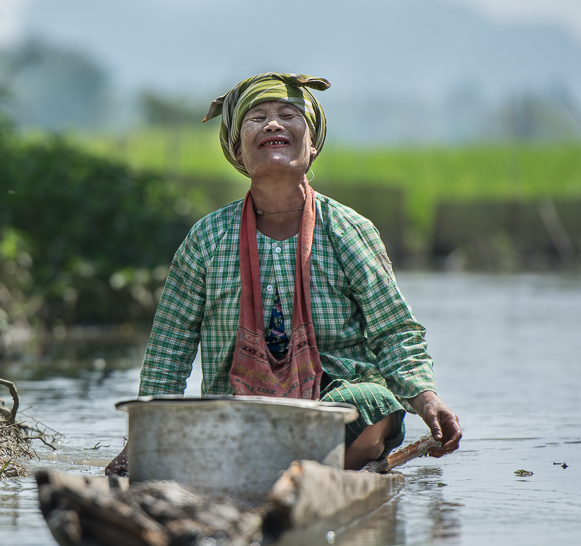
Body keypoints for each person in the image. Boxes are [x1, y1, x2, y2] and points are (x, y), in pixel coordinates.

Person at [107, 72, 461, 475]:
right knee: (201, 424)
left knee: (374, 404)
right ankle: (276, 466)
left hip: (336, 410)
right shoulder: (207, 239)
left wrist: (427, 399)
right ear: (238, 153)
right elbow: (169, 350)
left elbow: (394, 332)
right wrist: (141, 445)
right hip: (239, 413)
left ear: (312, 148)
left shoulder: (349, 230)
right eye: (256, 117)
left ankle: (308, 470)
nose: (273, 124)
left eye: (288, 115)